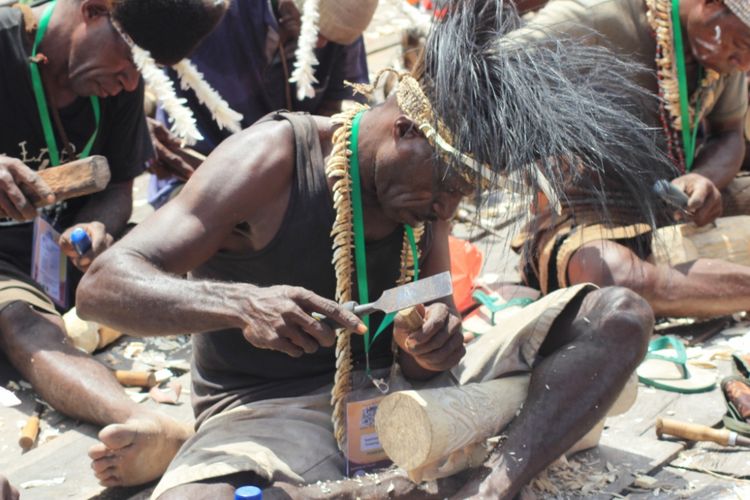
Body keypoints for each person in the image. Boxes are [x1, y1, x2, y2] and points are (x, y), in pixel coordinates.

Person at [76, 1, 672, 497]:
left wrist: (430, 344)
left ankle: (494, 487)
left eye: (459, 197)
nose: (445, 212)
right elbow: (102, 286)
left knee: (618, 314)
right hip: (274, 413)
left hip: (409, 405)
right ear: (405, 129)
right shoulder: (274, 157)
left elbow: (426, 346)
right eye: (444, 190)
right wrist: (242, 305)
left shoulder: (421, 192)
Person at [0, 0, 227, 487]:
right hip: (4, 266)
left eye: (136, 73)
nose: (128, 83)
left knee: (178, 252)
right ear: (93, 10)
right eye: (125, 65)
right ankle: (145, 424)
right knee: (21, 323)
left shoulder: (119, 81)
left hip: (62, 251)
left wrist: (99, 226)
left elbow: (121, 186)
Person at [506, 0, 750, 318]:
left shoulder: (719, 51)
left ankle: (698, 286)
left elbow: (728, 133)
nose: (744, 64)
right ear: (712, 4)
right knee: (615, 280)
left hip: (674, 201)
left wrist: (705, 176)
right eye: (742, 46)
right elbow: (494, 65)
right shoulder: (598, 12)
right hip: (588, 206)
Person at [146, 0, 374, 209]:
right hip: (197, 173)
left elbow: (348, 96)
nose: (322, 42)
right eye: (316, 30)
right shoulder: (217, 13)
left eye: (331, 38)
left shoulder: (342, 20)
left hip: (290, 179)